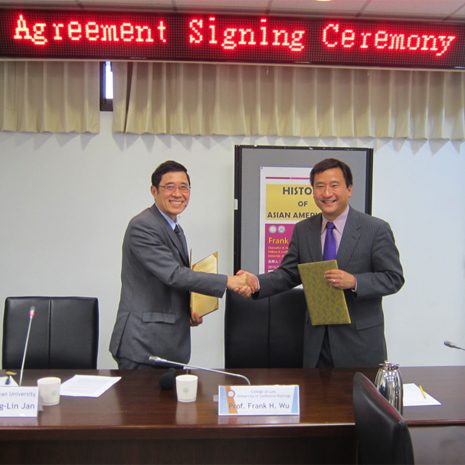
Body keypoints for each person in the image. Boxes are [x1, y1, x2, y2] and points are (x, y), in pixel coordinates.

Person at [239, 158, 404, 368]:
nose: (327, 193)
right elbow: (289, 273)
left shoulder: (375, 229)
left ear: (349, 189)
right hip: (316, 343)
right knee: (317, 400)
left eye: (334, 185)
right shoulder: (303, 230)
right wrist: (257, 282)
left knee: (359, 401)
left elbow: (394, 278)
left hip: (360, 343)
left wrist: (355, 281)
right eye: (319, 186)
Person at [110, 160, 251, 369]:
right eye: (169, 187)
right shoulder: (143, 225)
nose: (177, 193)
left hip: (165, 343)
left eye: (183, 187)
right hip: (143, 345)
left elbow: (170, 280)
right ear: (154, 191)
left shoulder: (173, 227)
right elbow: (174, 275)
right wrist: (228, 281)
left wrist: (188, 310)